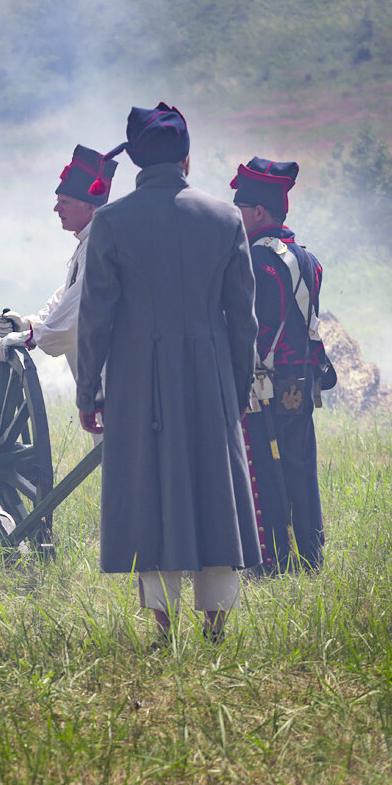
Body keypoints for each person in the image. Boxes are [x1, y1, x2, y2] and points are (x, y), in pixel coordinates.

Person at [74, 103, 261, 645]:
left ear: (135, 159)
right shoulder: (226, 219)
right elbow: (243, 318)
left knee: (150, 495)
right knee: (214, 493)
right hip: (212, 378)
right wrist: (240, 387)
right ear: (186, 157)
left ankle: (161, 631)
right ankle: (216, 629)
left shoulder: (111, 221)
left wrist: (90, 391)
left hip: (138, 384)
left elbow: (96, 320)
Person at [232, 157, 332, 574]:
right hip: (300, 381)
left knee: (265, 471)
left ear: (258, 212)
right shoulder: (306, 258)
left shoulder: (259, 259)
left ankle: (272, 561)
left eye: (241, 209)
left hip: (265, 386)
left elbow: (253, 329)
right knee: (299, 466)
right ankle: (309, 557)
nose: (237, 216)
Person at [0, 145, 118, 416]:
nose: (56, 208)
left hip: (116, 374)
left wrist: (32, 336)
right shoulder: (91, 241)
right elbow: (68, 296)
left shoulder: (102, 244)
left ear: (89, 205)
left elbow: (81, 309)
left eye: (64, 202)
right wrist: (31, 324)